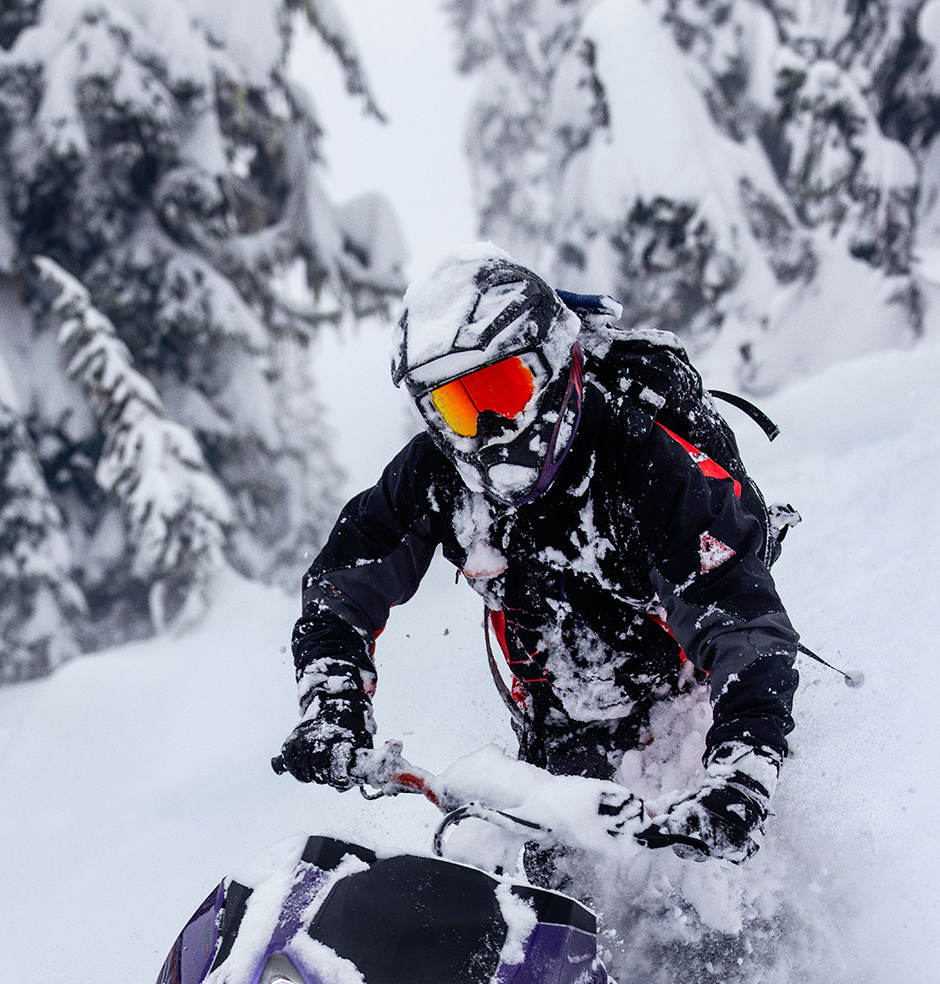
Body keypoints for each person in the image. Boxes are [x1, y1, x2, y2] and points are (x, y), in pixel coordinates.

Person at [275, 244, 799, 863]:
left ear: (553, 368)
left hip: (691, 696)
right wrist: (333, 702)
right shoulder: (437, 473)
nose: (489, 427)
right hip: (555, 721)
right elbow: (342, 585)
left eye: (502, 388)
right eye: (458, 406)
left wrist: (742, 773)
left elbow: (741, 623)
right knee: (547, 894)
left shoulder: (644, 460)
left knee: (718, 883)